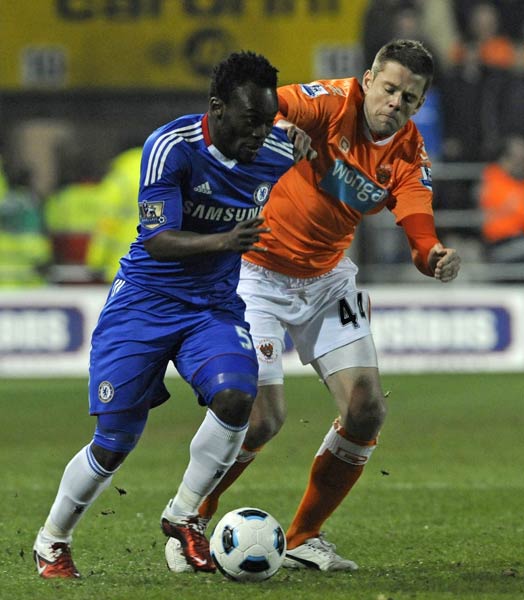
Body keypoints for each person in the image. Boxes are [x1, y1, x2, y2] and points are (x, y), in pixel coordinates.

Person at [32, 50, 314, 579]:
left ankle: (184, 515)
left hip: (211, 307)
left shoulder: (278, 147)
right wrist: (227, 239)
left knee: (236, 397)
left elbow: (317, 155)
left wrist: (304, 142)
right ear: (217, 108)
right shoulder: (171, 147)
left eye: (269, 121)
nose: (260, 134)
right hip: (143, 305)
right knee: (114, 443)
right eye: (250, 121)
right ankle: (52, 541)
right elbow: (158, 239)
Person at [195, 39, 461, 572]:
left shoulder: (408, 153)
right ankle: (189, 519)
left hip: (326, 280)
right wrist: (277, 126)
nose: (397, 105)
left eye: (410, 98)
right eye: (389, 90)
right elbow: (267, 106)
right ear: (367, 80)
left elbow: (417, 226)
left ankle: (303, 536)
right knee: (264, 418)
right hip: (257, 271)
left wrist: (433, 256)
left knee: (366, 409)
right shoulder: (329, 102)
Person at [479, 134, 524, 265]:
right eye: (517, 159)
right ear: (504, 158)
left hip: (517, 240)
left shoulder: (516, 182)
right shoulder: (493, 179)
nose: (520, 164)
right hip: (499, 245)